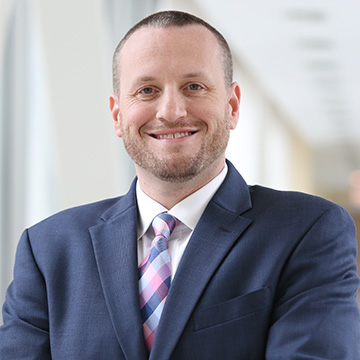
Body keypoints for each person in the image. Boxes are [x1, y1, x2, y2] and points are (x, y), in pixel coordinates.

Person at [0, 10, 359, 359]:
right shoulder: (48, 250)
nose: (171, 111)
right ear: (117, 114)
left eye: (194, 86)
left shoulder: (307, 230)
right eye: (146, 90)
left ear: (232, 106)